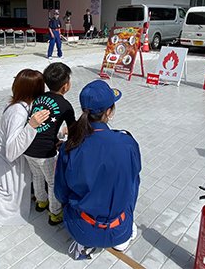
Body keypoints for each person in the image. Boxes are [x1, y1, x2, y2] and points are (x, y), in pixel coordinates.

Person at [55, 80, 141, 260]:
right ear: (109, 112)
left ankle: (86, 243)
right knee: (132, 178)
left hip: (81, 227)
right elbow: (132, 182)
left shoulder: (70, 146)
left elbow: (60, 192)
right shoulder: (127, 143)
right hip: (119, 228)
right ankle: (119, 239)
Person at [0, 69, 50, 225]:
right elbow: (12, 151)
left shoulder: (17, 104)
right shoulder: (18, 112)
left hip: (1, 159)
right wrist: (32, 126)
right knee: (10, 199)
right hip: (5, 163)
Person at [24, 62, 76, 226]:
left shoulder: (39, 98)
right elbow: (73, 130)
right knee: (53, 182)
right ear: (65, 86)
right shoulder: (66, 106)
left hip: (28, 147)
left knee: (37, 176)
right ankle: (54, 213)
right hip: (46, 153)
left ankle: (41, 202)